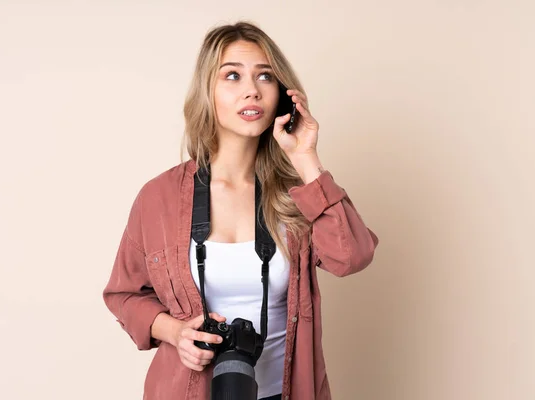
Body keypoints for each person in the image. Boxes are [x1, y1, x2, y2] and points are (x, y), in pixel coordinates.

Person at [102, 21, 379, 400]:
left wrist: (305, 158)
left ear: (281, 95)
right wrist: (176, 332)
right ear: (207, 92)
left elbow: (353, 257)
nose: (251, 90)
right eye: (232, 75)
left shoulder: (296, 194)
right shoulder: (158, 197)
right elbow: (123, 294)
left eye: (265, 77)